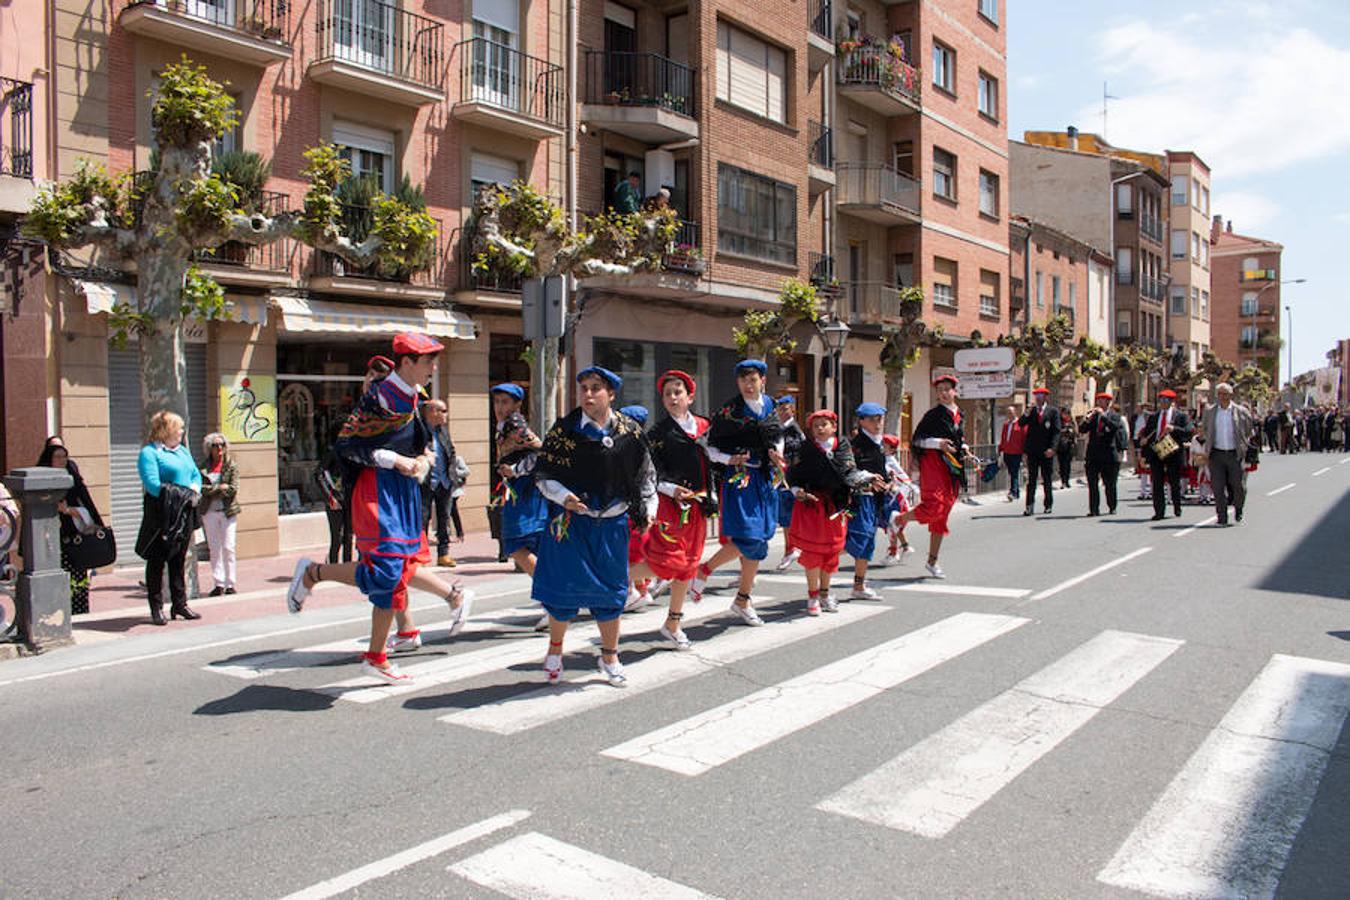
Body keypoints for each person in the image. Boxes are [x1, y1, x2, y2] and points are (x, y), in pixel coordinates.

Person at [286, 334, 473, 683]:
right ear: (407, 362)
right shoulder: (380, 396)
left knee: (398, 570)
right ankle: (315, 576)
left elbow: (421, 443)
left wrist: (423, 460)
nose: (434, 367)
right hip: (376, 490)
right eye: (428, 360)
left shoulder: (414, 396)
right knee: (388, 571)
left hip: (402, 491)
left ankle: (379, 649)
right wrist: (399, 461)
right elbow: (350, 446)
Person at [533, 366, 656, 686]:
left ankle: (610, 657)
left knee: (611, 593)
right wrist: (564, 497)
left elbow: (646, 476)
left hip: (612, 524)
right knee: (563, 593)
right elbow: (544, 476)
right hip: (572, 524)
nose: (587, 394)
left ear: (611, 394)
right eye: (584, 388)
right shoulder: (565, 431)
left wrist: (650, 508)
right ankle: (555, 650)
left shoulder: (630, 432)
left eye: (595, 388)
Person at [691, 359, 786, 625]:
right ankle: (704, 569)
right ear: (738, 382)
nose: (748, 384)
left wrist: (777, 452)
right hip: (740, 479)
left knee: (760, 542)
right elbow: (707, 446)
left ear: (762, 380)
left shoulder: (770, 406)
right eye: (743, 379)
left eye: (753, 379)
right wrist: (727, 459)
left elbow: (777, 435)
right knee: (750, 538)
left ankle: (743, 599)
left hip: (765, 479)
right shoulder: (728, 411)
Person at [639, 370, 717, 649]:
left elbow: (713, 465)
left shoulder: (705, 427)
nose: (672, 398)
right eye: (667, 394)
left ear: (690, 396)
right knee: (668, 561)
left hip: (697, 505)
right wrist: (672, 490)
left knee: (689, 564)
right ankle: (609, 579)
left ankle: (673, 623)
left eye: (677, 392)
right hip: (670, 506)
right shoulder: (657, 434)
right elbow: (649, 473)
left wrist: (713, 494)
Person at [788, 410, 877, 615]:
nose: (820, 428)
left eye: (824, 424)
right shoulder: (806, 449)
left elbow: (850, 473)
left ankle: (825, 594)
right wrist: (797, 491)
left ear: (834, 427)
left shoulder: (843, 447)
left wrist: (868, 477)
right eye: (816, 425)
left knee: (831, 552)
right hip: (812, 505)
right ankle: (812, 597)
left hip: (835, 506)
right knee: (813, 554)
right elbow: (793, 475)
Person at [895, 374, 974, 578]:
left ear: (954, 391)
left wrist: (966, 450)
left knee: (942, 514)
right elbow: (918, 440)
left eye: (947, 389)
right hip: (933, 465)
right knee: (934, 507)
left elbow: (959, 440)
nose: (944, 393)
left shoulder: (959, 414)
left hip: (953, 469)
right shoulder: (933, 415)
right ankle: (898, 519)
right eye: (940, 390)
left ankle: (932, 562)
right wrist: (938, 443)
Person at [135, 411, 202, 625]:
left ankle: (179, 603)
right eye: (179, 428)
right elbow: (153, 484)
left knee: (179, 559)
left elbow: (195, 475)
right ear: (167, 430)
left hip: (183, 511)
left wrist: (194, 491)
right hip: (162, 512)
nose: (182, 431)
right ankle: (156, 607)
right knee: (157, 561)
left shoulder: (182, 451)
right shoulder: (150, 453)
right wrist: (183, 494)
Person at [37, 437, 105, 615]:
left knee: (77, 578)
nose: (61, 460)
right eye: (57, 456)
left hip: (75, 538)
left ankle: (79, 613)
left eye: (64, 456)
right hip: (50, 539)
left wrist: (68, 510)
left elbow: (86, 506)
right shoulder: (40, 478)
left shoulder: (72, 478)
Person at [492, 383, 549, 580]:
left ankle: (550, 589)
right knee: (529, 544)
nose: (499, 407)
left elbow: (542, 451)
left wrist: (516, 470)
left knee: (515, 543)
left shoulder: (516, 426)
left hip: (527, 490)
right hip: (521, 489)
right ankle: (552, 593)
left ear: (517, 405)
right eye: (497, 402)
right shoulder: (505, 425)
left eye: (505, 402)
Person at [844, 402, 892, 601]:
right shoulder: (855, 445)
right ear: (861, 421)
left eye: (879, 419)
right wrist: (869, 480)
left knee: (867, 543)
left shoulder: (878, 443)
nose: (877, 423)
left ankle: (859, 585)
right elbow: (849, 471)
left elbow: (880, 470)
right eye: (872, 419)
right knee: (856, 539)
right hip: (859, 500)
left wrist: (887, 480)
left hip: (875, 501)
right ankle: (821, 569)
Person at [1200, 383, 1253, 526]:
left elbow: (1248, 430)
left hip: (1235, 454)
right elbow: (1205, 428)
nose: (1222, 397)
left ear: (1231, 395)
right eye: (1220, 394)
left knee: (1238, 486)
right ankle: (1222, 516)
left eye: (1225, 394)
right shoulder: (1210, 411)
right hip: (1216, 454)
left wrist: (1242, 444)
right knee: (1217, 487)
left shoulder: (1240, 411)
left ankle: (1239, 508)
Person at [1140, 389, 1194, 520]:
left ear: (1171, 402)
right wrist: (1144, 447)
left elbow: (1188, 432)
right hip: (1157, 452)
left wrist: (1174, 429)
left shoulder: (1180, 416)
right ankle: (1159, 511)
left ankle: (1177, 506)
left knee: (1174, 482)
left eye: (1166, 400)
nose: (1163, 403)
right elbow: (1147, 434)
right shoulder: (1154, 417)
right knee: (1157, 482)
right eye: (1161, 400)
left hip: (1173, 452)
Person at [198, 433, 240, 596]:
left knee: (229, 547)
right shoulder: (203, 467)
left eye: (222, 444)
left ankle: (230, 583)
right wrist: (219, 488)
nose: (219, 448)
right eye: (215, 445)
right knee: (214, 549)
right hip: (209, 512)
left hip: (228, 511)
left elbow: (232, 489)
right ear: (209, 448)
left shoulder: (231, 466)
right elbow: (201, 488)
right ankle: (219, 583)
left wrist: (216, 490)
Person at [420, 398, 459, 568]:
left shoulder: (443, 431)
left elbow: (450, 451)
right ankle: (421, 554)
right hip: (426, 483)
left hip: (444, 482)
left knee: (444, 518)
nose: (446, 415)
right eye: (442, 411)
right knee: (423, 519)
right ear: (431, 413)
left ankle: (443, 554)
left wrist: (454, 477)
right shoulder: (419, 430)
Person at [1080, 392, 1125, 516]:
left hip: (1109, 455)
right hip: (1093, 454)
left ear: (1107, 402)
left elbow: (1114, 427)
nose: (1099, 403)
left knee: (1110, 484)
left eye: (1102, 400)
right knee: (1092, 483)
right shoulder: (1093, 416)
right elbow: (1082, 430)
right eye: (1098, 400)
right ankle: (1094, 509)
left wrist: (1103, 416)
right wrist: (1087, 420)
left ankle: (1112, 506)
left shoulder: (1114, 416)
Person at [774, 395, 806, 571]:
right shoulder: (780, 428)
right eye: (780, 408)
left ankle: (791, 549)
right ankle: (792, 548)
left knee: (788, 516)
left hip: (789, 477)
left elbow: (795, 453)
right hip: (780, 477)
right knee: (786, 516)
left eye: (785, 408)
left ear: (792, 409)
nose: (782, 411)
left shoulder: (793, 430)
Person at [1019, 387, 1060, 515]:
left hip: (1046, 450)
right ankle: (1029, 506)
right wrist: (1026, 413)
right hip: (1033, 450)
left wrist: (1052, 448)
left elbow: (1056, 432)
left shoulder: (1052, 411)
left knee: (1047, 479)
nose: (1038, 398)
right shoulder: (1031, 411)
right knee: (1032, 480)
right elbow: (1021, 423)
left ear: (1046, 397)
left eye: (1041, 396)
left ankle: (1048, 505)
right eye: (1036, 396)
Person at [881, 434, 915, 563]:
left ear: (891, 449)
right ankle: (905, 546)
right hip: (890, 496)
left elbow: (899, 478)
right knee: (893, 523)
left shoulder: (889, 461)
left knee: (892, 523)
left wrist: (891, 486)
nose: (881, 446)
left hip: (894, 497)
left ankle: (893, 552)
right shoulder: (885, 459)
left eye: (884, 445)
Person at [997, 405, 1027, 503]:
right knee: (1011, 472)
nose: (1009, 414)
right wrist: (1000, 449)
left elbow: (1024, 437)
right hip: (1007, 452)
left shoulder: (1020, 424)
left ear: (1015, 412)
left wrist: (1025, 451)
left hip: (1017, 452)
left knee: (1014, 472)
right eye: (1007, 412)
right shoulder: (1006, 425)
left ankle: (1013, 492)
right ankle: (1016, 491)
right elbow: (1003, 437)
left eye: (1010, 412)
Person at [1055, 412, 1077, 489]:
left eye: (1067, 413)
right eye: (1064, 413)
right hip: (1061, 446)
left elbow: (1075, 432)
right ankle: (1063, 481)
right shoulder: (1059, 422)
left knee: (1067, 464)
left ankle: (1067, 481)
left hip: (1069, 446)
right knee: (1062, 465)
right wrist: (1064, 431)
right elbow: (1057, 431)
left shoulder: (1071, 422)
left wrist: (1071, 432)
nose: (1065, 415)